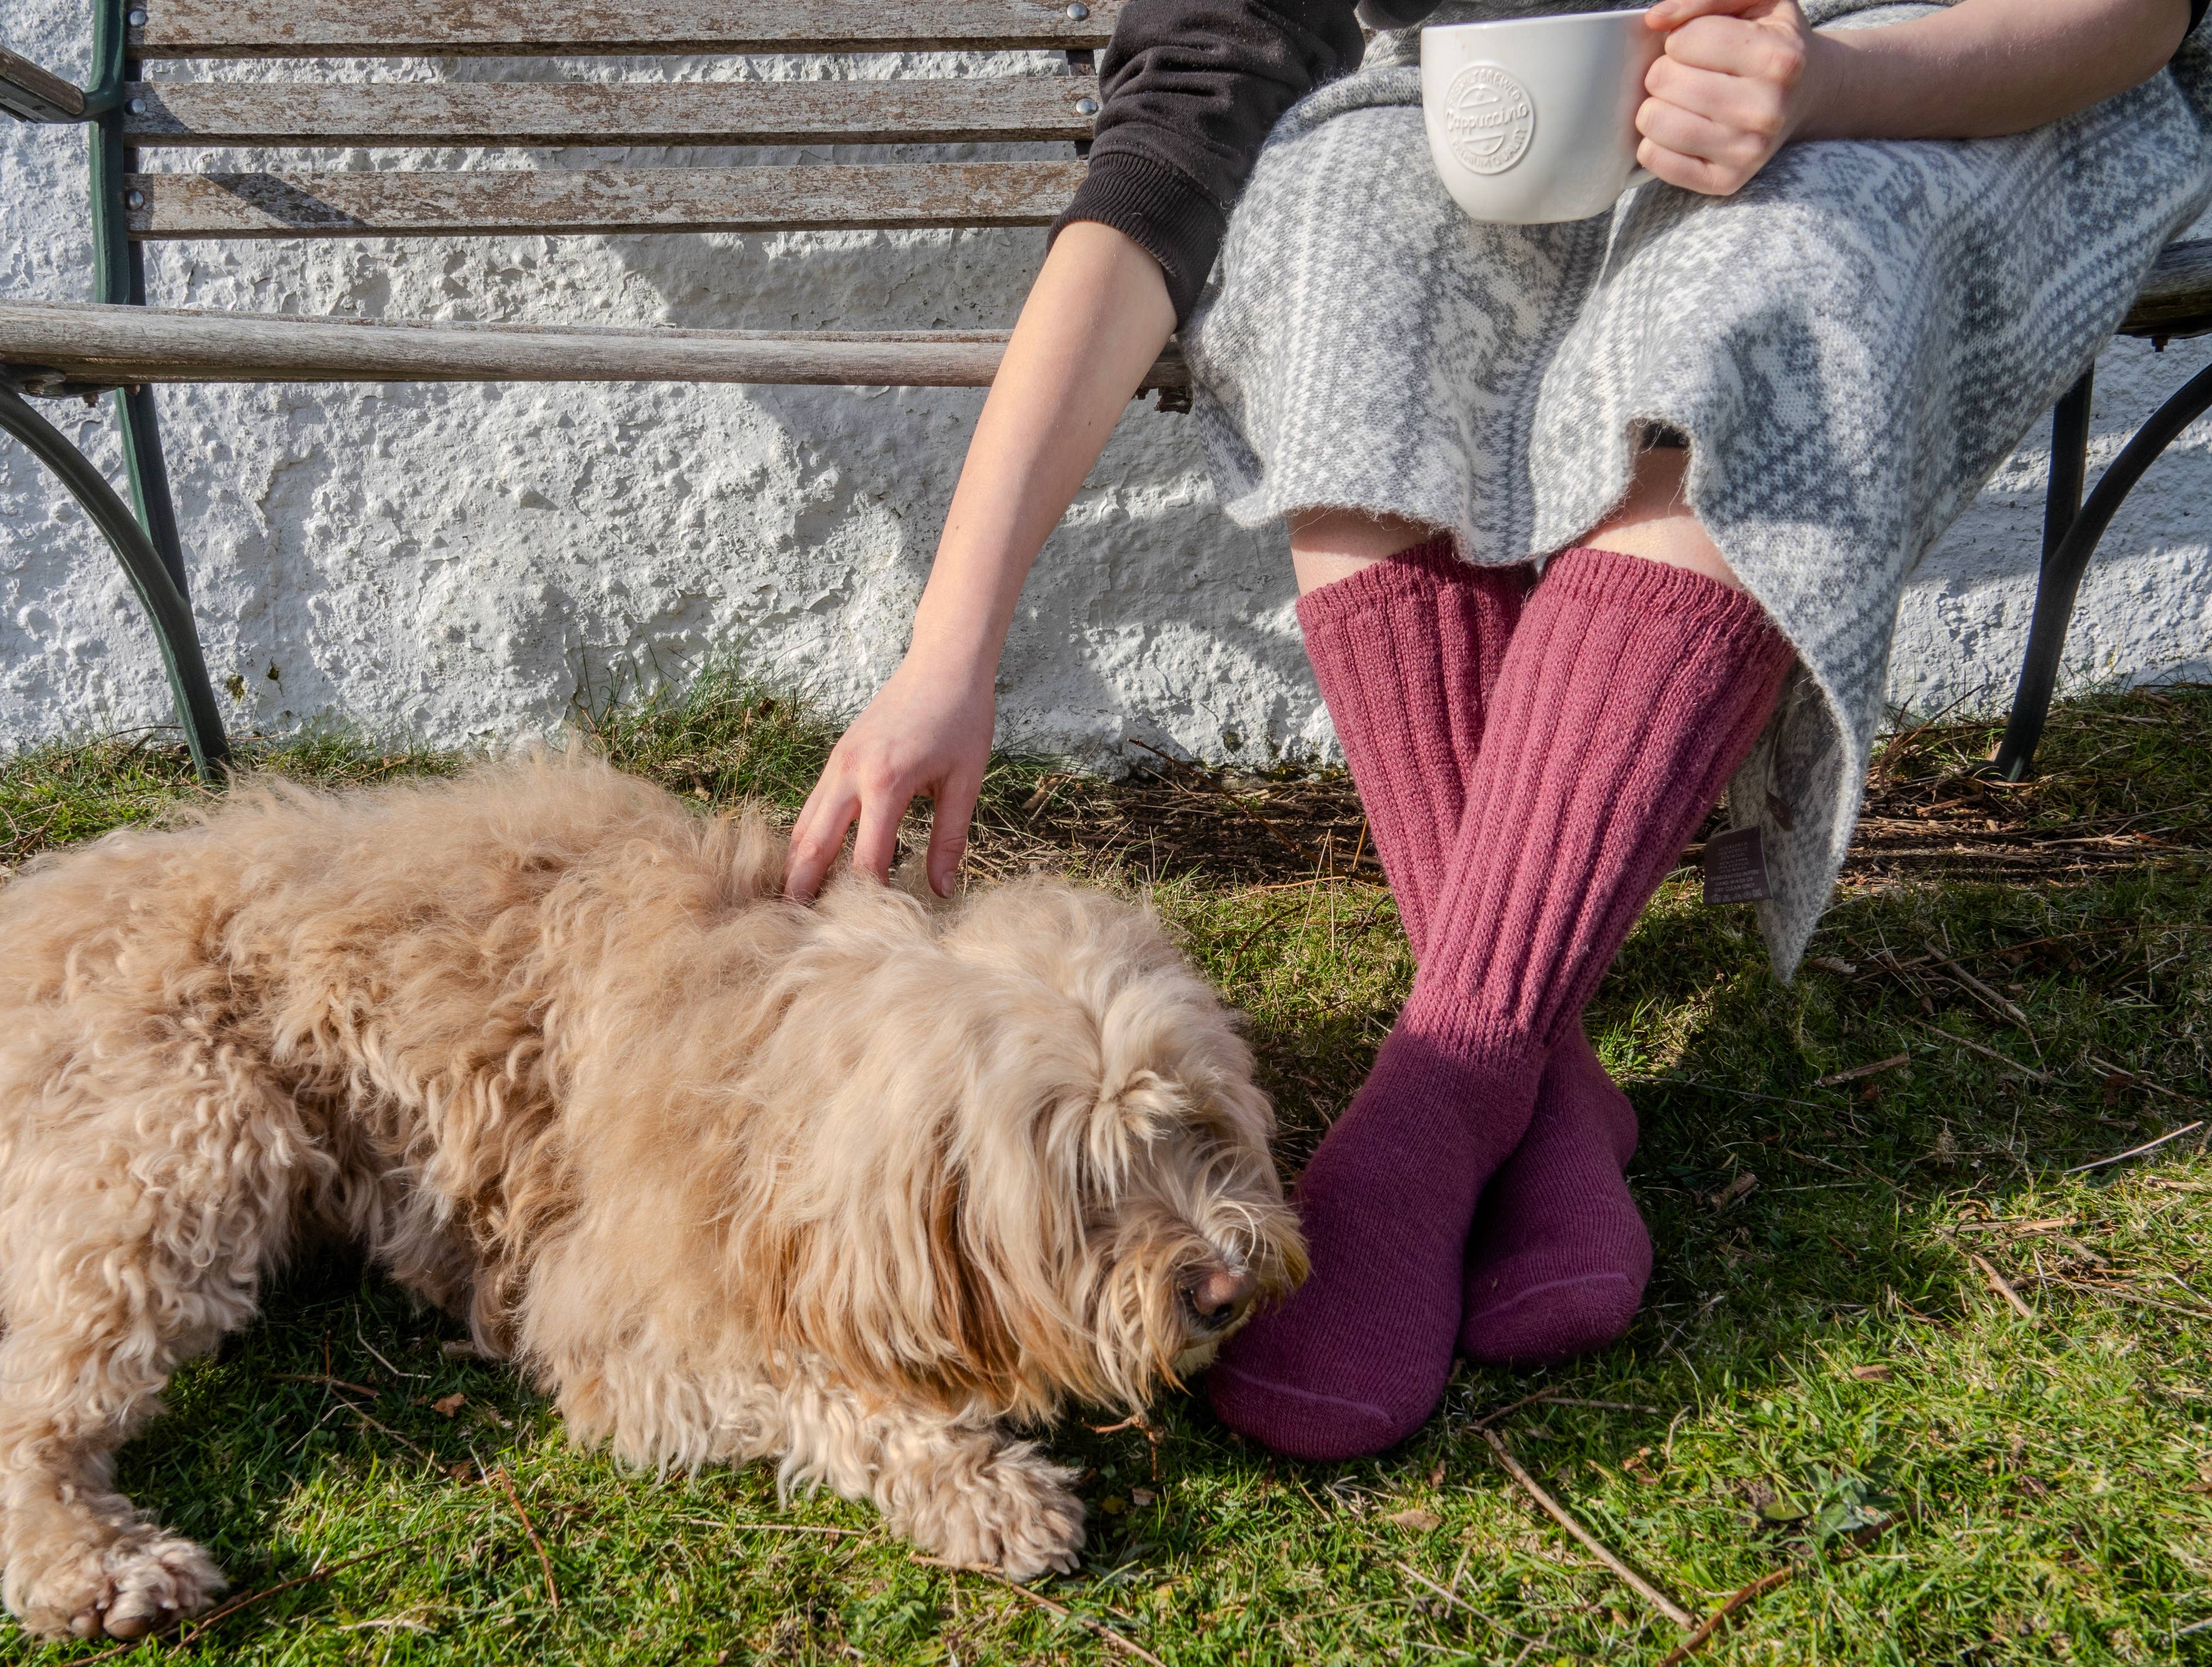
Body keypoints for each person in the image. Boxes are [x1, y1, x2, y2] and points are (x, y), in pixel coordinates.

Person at [782, 0, 2212, 1459]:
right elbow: (1174, 148)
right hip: (1562, 122)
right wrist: (950, 646)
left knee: (1787, 272)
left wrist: (1830, 75)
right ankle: (1552, 1079)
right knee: (1330, 224)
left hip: (1939, 78)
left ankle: (1453, 1084)